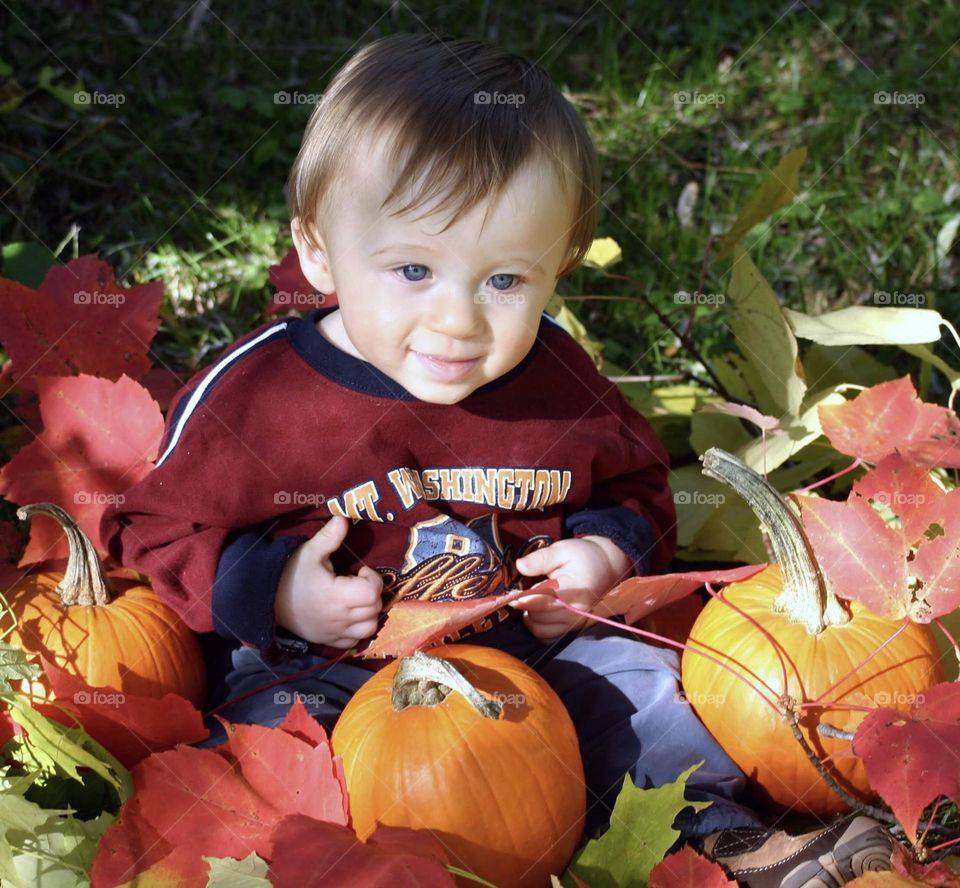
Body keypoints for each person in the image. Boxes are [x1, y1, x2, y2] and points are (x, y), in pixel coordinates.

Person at [100, 33, 892, 886]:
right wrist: (276, 590)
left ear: (560, 266)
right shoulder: (261, 398)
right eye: (413, 268)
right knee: (273, 753)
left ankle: (724, 836)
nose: (458, 320)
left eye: (504, 282)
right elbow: (148, 526)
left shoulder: (553, 381)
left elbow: (633, 482)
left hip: (522, 651)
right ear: (320, 251)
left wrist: (604, 551)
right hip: (324, 664)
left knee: (635, 689)